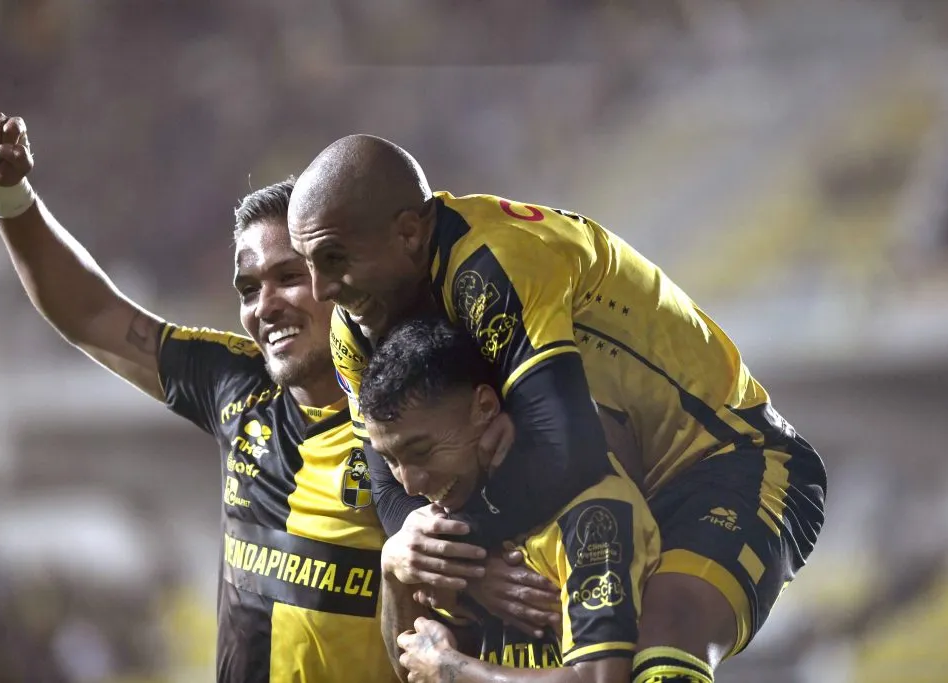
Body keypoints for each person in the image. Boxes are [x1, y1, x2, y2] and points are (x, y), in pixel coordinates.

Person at [289, 134, 828, 682]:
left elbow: (565, 450)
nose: (321, 289)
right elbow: (390, 490)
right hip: (585, 485)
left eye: (333, 258)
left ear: (407, 232)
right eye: (306, 263)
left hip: (727, 464)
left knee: (662, 649)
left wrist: (468, 570)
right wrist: (425, 559)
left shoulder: (494, 262)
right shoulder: (357, 327)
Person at [0, 113, 399, 683]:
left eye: (287, 276)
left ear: (339, 274)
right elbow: (92, 314)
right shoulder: (235, 382)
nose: (264, 306)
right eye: (248, 288)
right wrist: (10, 196)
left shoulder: (411, 410)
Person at [361, 317, 662, 682]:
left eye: (422, 451)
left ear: (485, 407)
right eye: (391, 460)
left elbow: (601, 679)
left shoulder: (593, 513)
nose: (410, 485)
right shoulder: (455, 515)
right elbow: (412, 667)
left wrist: (452, 670)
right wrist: (391, 572)